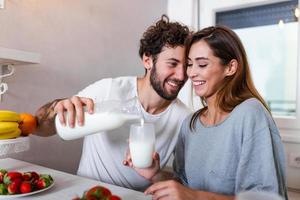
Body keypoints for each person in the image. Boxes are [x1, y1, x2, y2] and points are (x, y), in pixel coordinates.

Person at [126, 26, 288, 199]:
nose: (191, 73)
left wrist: (195, 196)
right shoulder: (190, 124)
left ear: (230, 67)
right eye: (189, 64)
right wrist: (155, 174)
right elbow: (183, 186)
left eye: (202, 64)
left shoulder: (250, 113)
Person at [34, 15, 191, 191]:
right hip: (87, 194)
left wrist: (154, 174)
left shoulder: (184, 118)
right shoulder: (108, 90)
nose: (181, 76)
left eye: (186, 66)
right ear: (148, 60)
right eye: (172, 64)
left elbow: (182, 183)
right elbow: (39, 127)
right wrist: (56, 107)